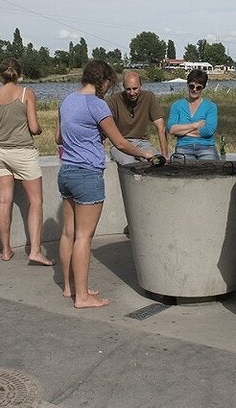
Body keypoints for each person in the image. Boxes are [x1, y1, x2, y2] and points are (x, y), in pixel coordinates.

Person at [57, 60, 155, 309]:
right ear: (103, 81)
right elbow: (120, 143)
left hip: (66, 171)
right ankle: (83, 297)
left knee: (68, 233)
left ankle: (70, 287)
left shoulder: (67, 100)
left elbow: (58, 137)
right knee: (84, 237)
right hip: (87, 175)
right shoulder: (97, 105)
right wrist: (145, 154)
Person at [0, 57, 54, 266]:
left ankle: (6, 250)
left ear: (0, 74)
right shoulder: (27, 94)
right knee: (36, 202)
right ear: (19, 74)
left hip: (0, 153)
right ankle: (35, 251)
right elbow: (34, 127)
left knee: (3, 201)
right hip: (23, 153)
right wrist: (39, 130)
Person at [105, 71, 169, 165]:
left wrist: (165, 155)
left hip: (142, 142)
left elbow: (161, 127)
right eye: (128, 89)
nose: (132, 93)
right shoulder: (113, 100)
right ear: (123, 87)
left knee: (157, 161)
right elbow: (104, 128)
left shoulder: (148, 97)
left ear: (141, 85)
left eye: (135, 89)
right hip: (122, 143)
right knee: (129, 162)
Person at [167, 69, 219, 160]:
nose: (194, 90)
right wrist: (196, 125)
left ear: (203, 88)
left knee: (210, 170)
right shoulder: (176, 106)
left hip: (207, 148)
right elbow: (171, 129)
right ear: (187, 85)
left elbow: (208, 130)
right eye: (191, 86)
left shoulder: (211, 106)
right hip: (183, 147)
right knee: (181, 171)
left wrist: (182, 131)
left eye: (198, 87)